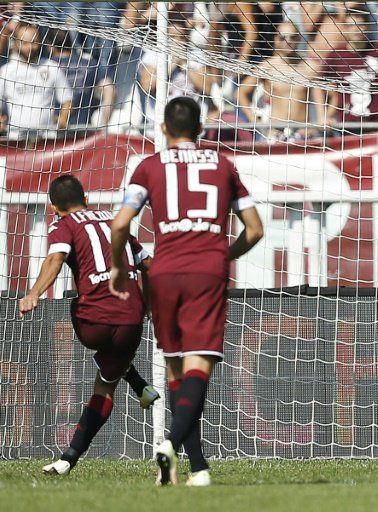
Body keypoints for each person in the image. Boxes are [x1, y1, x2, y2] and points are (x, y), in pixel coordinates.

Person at [109, 96, 264, 487]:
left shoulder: (149, 166)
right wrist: (224, 253)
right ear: (201, 129)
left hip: (163, 273)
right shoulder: (223, 165)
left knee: (176, 369)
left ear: (163, 128)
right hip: (206, 273)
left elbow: (120, 224)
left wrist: (118, 267)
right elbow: (255, 229)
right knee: (199, 367)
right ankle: (171, 444)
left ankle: (198, 469)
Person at [18, 175, 159, 475]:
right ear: (86, 199)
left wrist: (33, 294)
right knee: (105, 386)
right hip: (132, 320)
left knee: (76, 304)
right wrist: (151, 304)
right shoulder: (115, 220)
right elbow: (149, 265)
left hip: (93, 324)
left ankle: (134, 380)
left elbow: (56, 259)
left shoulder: (63, 225)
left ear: (53, 208)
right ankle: (68, 458)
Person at [0, 22, 73, 140]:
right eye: (25, 43)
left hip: (46, 140)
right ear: (17, 43)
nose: (30, 47)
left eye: (34, 42)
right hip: (16, 139)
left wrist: (63, 118)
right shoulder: (6, 71)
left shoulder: (51, 67)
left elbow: (67, 99)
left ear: (40, 42)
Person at [44, 28, 116, 128]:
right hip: (84, 128)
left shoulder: (46, 67)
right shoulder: (90, 64)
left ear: (49, 46)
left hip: (54, 129)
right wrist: (103, 124)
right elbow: (110, 91)